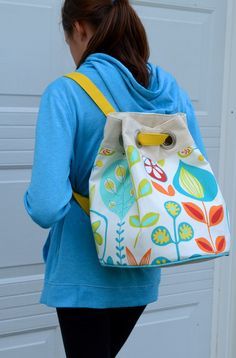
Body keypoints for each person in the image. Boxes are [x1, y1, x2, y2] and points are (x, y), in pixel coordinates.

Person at [23, 0, 207, 357]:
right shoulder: (169, 89)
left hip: (83, 273)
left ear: (79, 28)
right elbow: (192, 170)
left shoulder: (66, 93)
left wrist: (32, 198)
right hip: (143, 264)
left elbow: (46, 207)